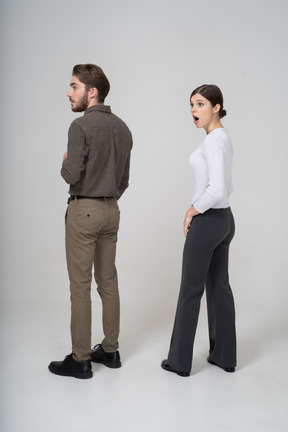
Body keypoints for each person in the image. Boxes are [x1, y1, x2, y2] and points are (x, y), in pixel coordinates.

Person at [49, 64, 133, 379]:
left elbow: (71, 175)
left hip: (83, 211)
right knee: (108, 281)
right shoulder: (123, 128)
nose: (69, 93)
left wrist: (66, 161)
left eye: (74, 87)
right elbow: (124, 179)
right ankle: (110, 350)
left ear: (91, 91)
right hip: (111, 210)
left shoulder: (79, 127)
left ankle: (81, 358)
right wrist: (108, 197)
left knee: (80, 286)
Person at [161, 84, 236, 377]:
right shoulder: (223, 138)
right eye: (192, 104)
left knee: (190, 290)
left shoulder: (212, 141)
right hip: (225, 218)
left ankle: (179, 361)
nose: (194, 110)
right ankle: (224, 356)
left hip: (208, 221)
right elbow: (228, 187)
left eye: (201, 104)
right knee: (219, 287)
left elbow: (216, 188)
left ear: (216, 107)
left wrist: (193, 210)